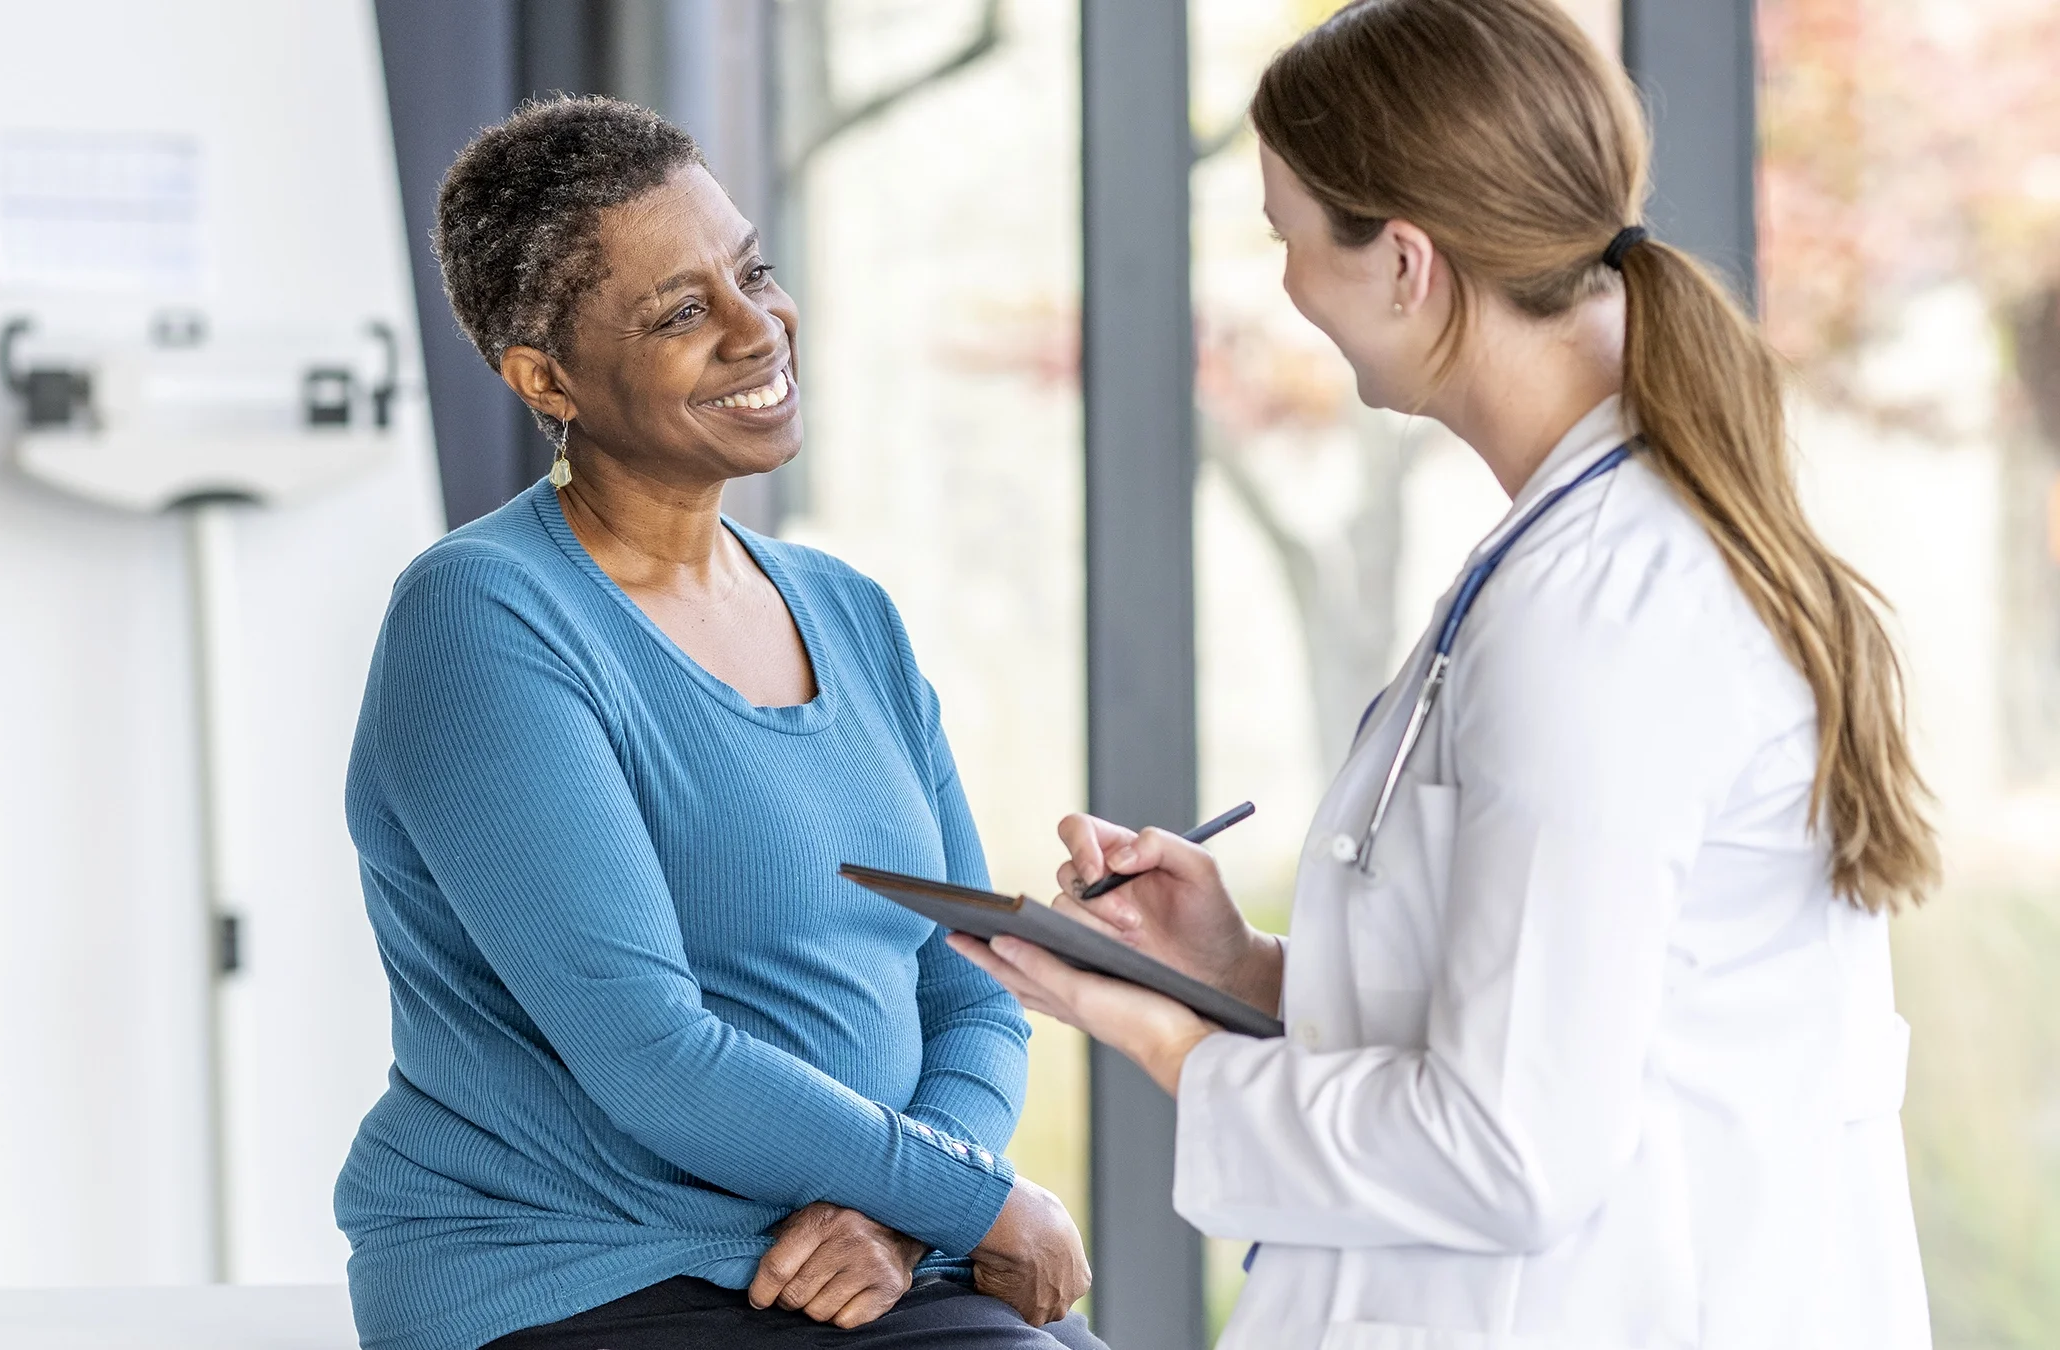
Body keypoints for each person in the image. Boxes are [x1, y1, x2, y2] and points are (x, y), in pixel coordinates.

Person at [953, 2, 1939, 1346]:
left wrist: (1167, 1043)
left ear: (1405, 262)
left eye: (1287, 237)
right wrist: (1238, 969)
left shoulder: (1599, 612)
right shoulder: (1575, 557)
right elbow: (1565, 1004)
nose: (1289, 287)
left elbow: (1510, 1145)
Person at [335, 96, 1099, 1350]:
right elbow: (651, 1056)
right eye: (683, 311)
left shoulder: (849, 612)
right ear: (545, 379)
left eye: (752, 273)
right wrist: (981, 1199)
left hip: (858, 1258)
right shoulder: (484, 619)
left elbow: (970, 987)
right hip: (589, 1275)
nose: (760, 329)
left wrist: (908, 1214)